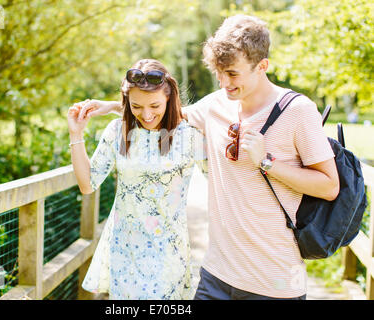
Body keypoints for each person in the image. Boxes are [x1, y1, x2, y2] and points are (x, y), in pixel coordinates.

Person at [76, 15, 340, 300]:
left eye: (233, 74)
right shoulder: (215, 105)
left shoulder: (298, 110)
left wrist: (267, 162)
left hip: (274, 280)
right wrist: (114, 107)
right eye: (219, 73)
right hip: (217, 275)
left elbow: (329, 186)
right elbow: (158, 113)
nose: (224, 83)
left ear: (262, 66)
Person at [67, 59, 207, 299]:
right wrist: (76, 133)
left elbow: (221, 179)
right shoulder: (117, 131)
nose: (147, 114)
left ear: (169, 97)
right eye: (136, 106)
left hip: (168, 252)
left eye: (155, 105)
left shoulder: (189, 135)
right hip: (124, 249)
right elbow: (87, 184)